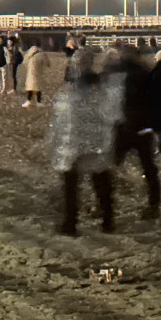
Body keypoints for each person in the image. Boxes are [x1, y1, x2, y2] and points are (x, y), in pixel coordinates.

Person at [48, 49, 118, 236]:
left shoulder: (68, 92)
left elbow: (61, 123)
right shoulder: (102, 89)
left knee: (71, 187)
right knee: (101, 183)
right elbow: (111, 116)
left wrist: (55, 145)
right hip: (96, 143)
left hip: (74, 145)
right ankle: (108, 221)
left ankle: (70, 225)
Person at [106, 45, 161, 219]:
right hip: (143, 126)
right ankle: (153, 204)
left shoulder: (115, 71)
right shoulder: (146, 72)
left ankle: (106, 204)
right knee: (149, 166)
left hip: (121, 125)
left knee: (112, 163)